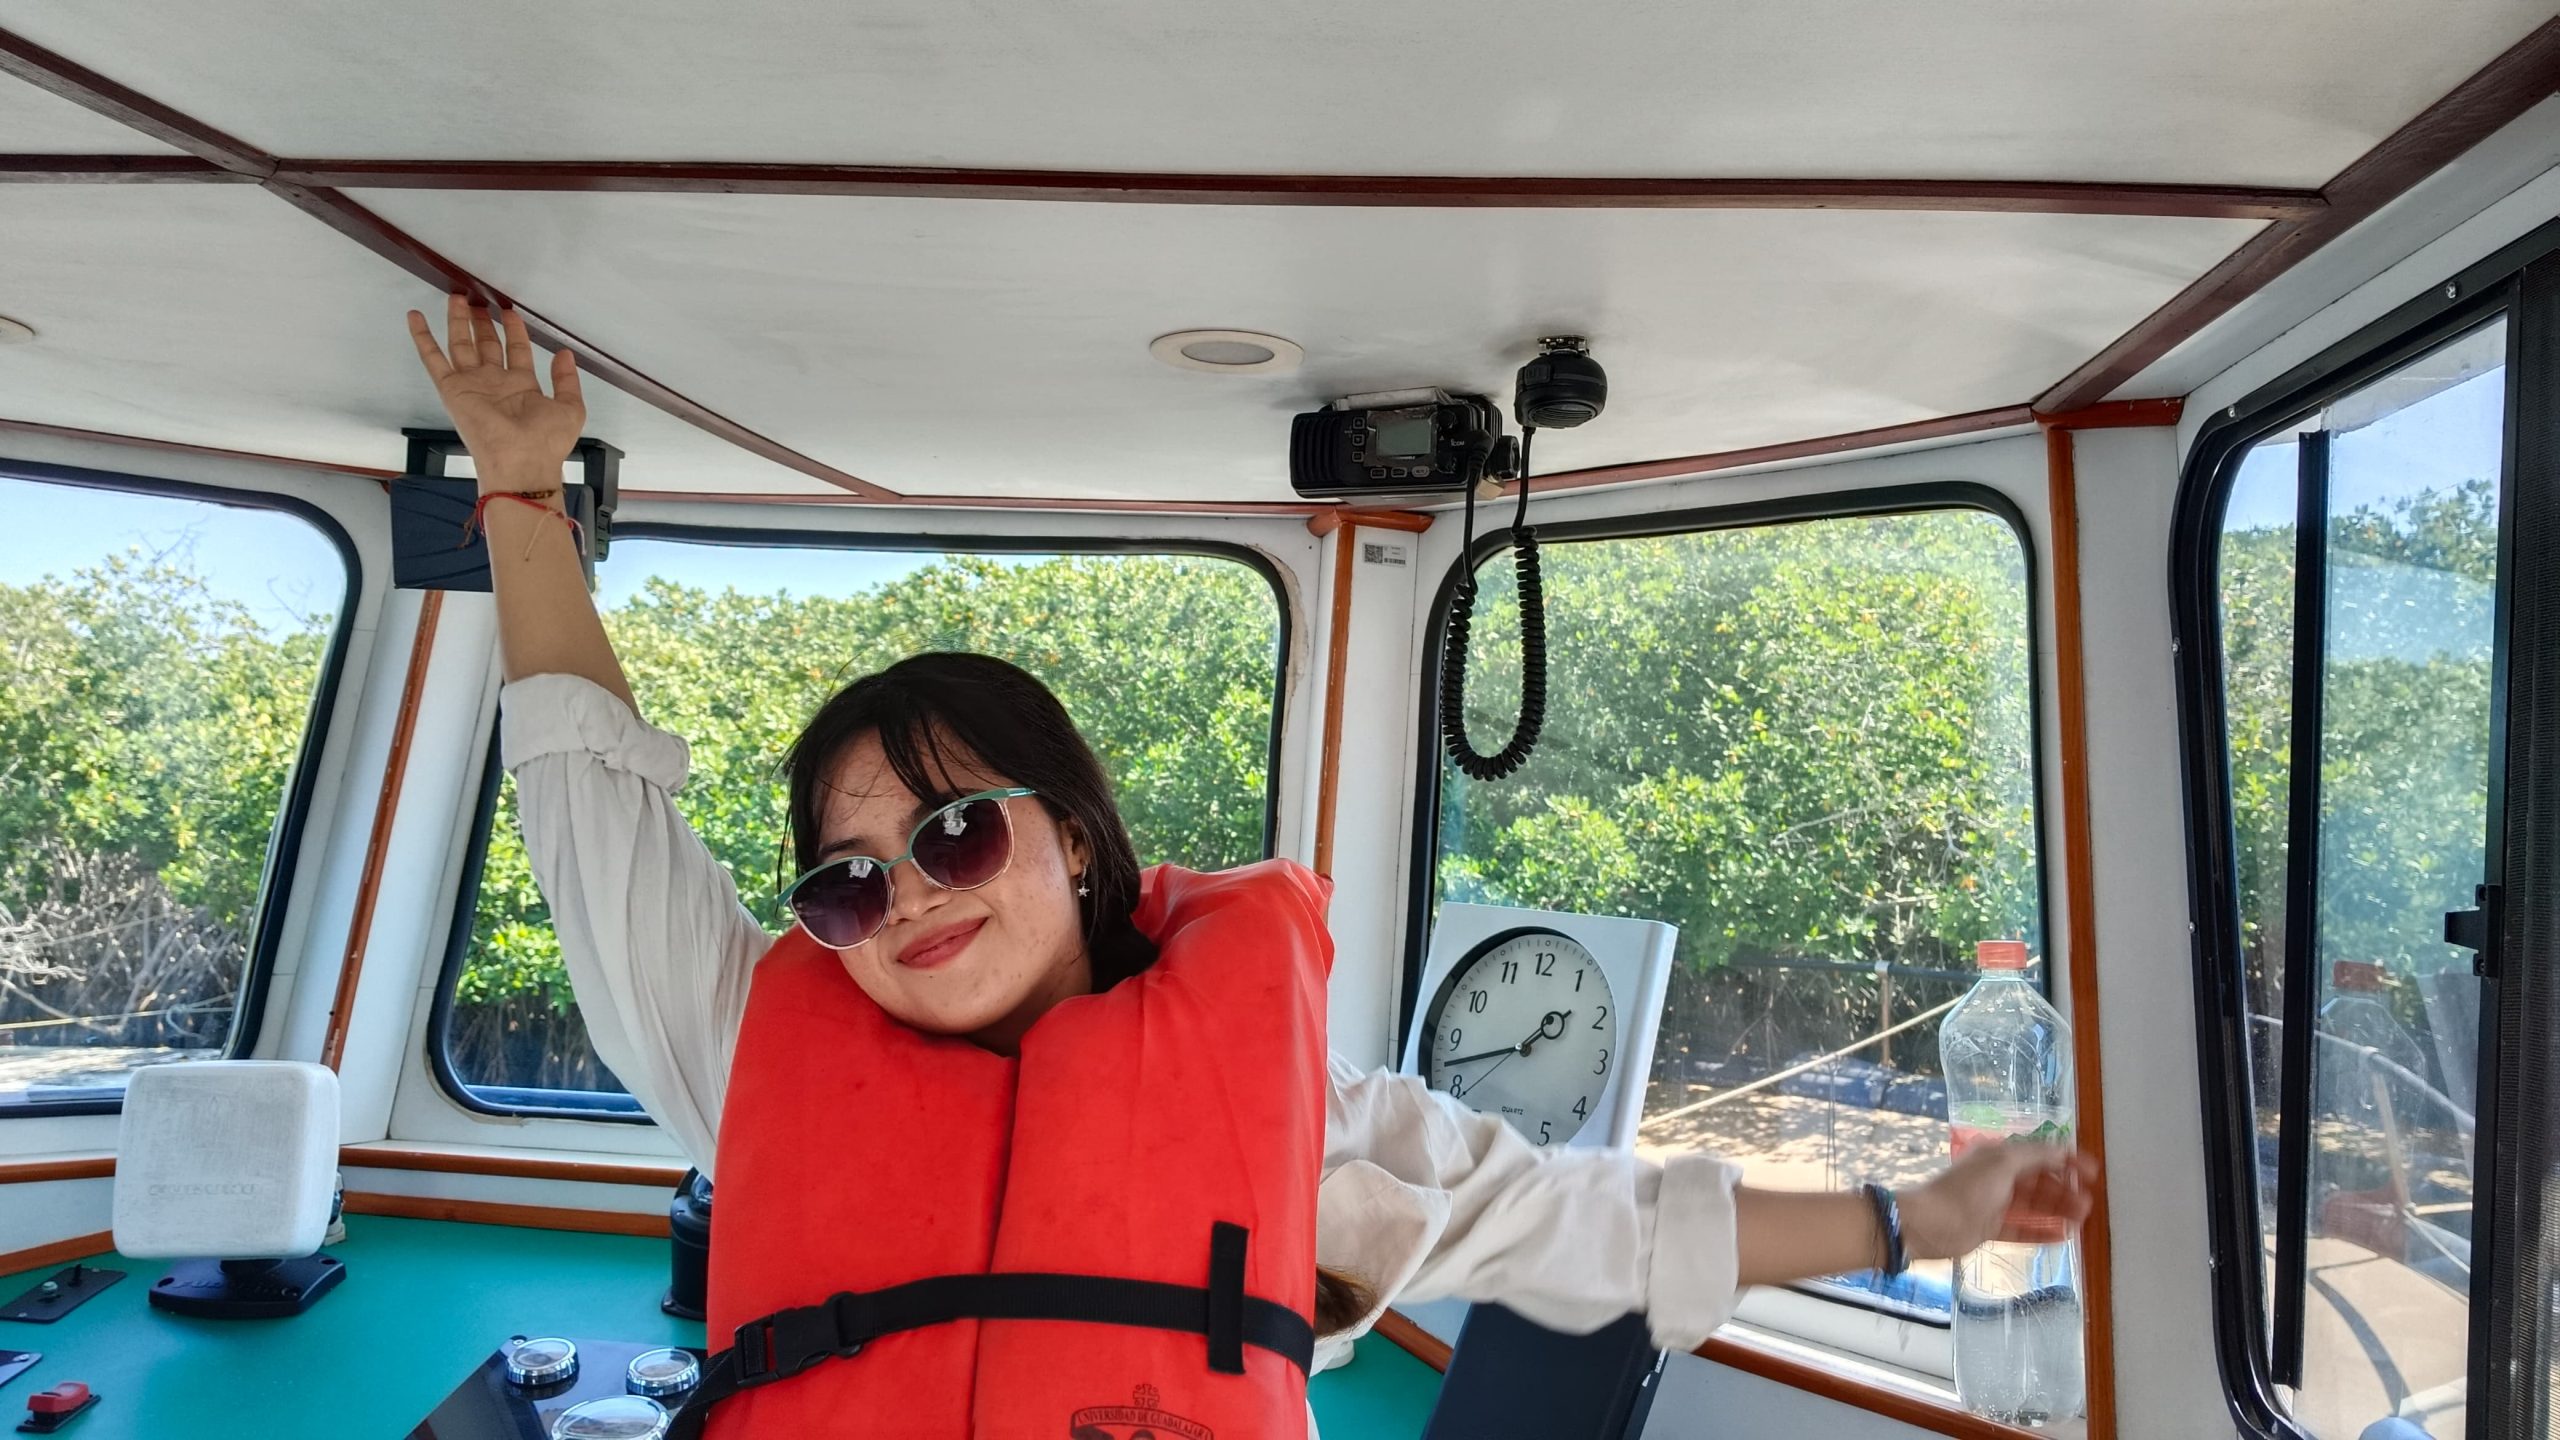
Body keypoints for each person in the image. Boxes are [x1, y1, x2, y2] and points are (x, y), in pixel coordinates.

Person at [405, 296, 2097, 1437]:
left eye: (951, 829)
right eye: (846, 882)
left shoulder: (1297, 1126)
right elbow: (592, 815)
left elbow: (1596, 1226)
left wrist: (1919, 1214)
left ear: (1075, 836)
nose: (904, 895)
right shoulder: (746, 1056)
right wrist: (521, 493)